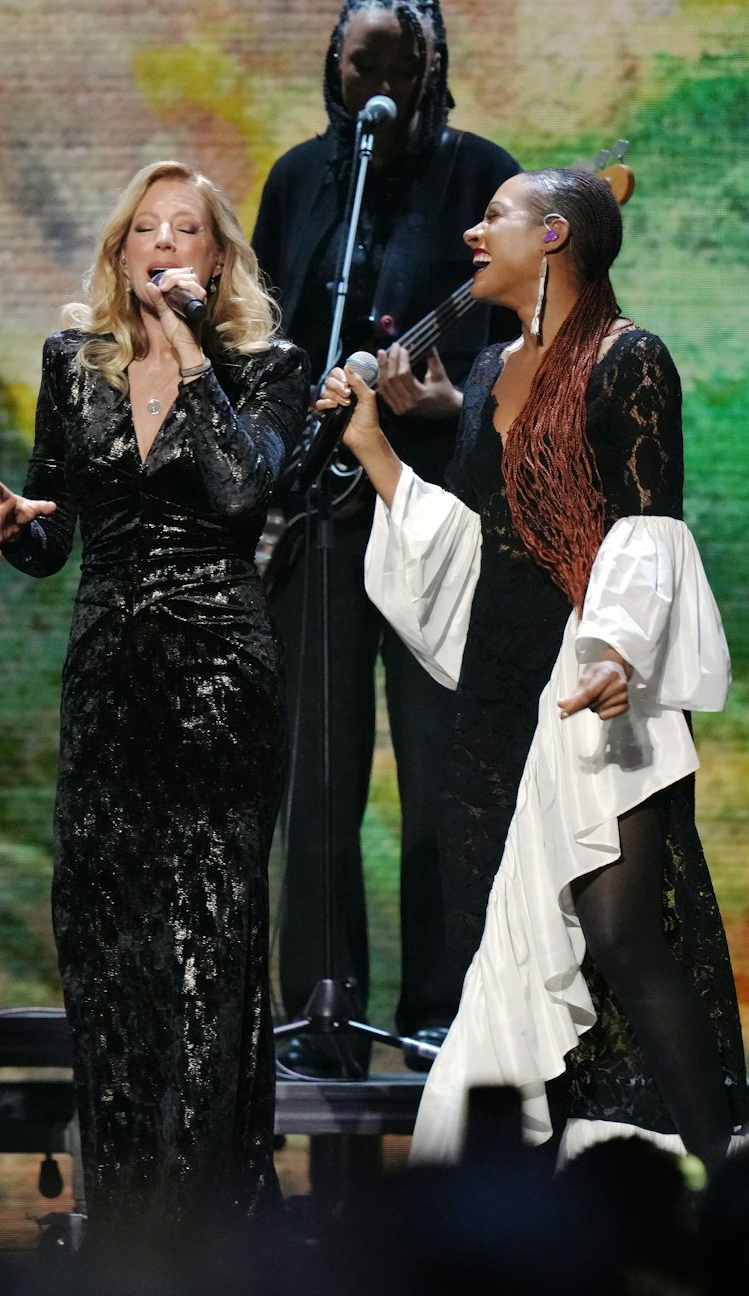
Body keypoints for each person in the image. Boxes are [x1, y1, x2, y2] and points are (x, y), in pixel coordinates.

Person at [319, 167, 747, 1169]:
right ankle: (528, 1225)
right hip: (497, 702)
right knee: (510, 957)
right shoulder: (484, 373)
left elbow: (646, 525)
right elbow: (479, 544)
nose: (473, 231)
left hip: (596, 681)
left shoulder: (628, 358)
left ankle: (726, 1185)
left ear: (553, 235)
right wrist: (375, 444)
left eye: (495, 218)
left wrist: (623, 652)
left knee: (624, 936)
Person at [0, 161, 307, 1228]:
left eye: (189, 230)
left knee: (208, 943)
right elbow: (59, 523)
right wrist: (26, 528)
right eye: (146, 232)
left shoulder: (265, 368)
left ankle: (209, 1228)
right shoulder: (71, 362)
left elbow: (242, 489)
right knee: (109, 942)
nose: (167, 246)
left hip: (218, 672)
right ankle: (126, 1226)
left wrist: (188, 349)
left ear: (217, 257)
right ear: (123, 253)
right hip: (111, 674)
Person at [252, 0, 520, 1072]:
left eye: (398, 68)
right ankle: (320, 1011)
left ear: (431, 70)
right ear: (333, 64)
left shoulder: (483, 176)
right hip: (318, 520)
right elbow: (264, 342)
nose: (378, 87)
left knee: (439, 771)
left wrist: (454, 407)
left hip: (436, 515)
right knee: (317, 778)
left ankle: (440, 1008)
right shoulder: (300, 179)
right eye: (359, 63)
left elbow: (536, 350)